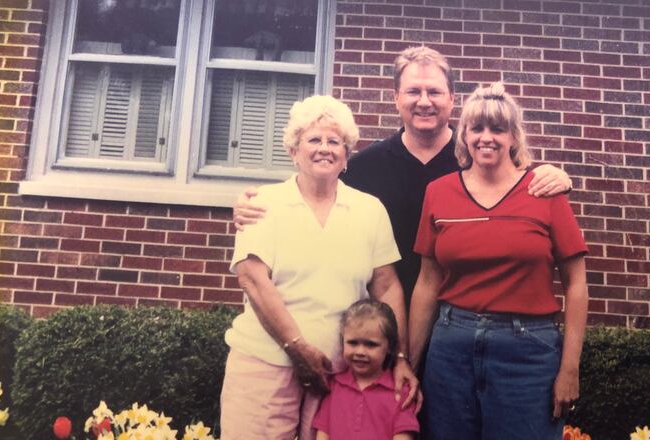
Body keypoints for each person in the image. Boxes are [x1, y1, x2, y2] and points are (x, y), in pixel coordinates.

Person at [235, 46, 572, 307]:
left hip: (457, 323)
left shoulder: (479, 160)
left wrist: (556, 175)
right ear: (396, 98)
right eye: (413, 92)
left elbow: (518, 180)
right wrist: (249, 203)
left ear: (452, 99)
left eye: (434, 92)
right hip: (380, 323)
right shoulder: (363, 167)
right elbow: (312, 193)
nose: (424, 102)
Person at [220, 95, 416, 440]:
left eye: (334, 141)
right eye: (313, 139)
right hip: (263, 364)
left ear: (346, 154)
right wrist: (297, 348)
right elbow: (252, 279)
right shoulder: (263, 204)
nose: (324, 148)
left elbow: (387, 286)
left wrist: (400, 356)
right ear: (294, 150)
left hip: (336, 375)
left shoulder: (369, 210)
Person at [408, 82, 589, 439]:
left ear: (513, 137)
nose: (486, 138)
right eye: (477, 128)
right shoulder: (439, 192)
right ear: (464, 136)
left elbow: (576, 284)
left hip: (526, 353)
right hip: (450, 349)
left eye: (497, 128)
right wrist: (410, 366)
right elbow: (427, 283)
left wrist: (570, 368)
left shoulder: (544, 191)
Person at [313, 299, 419, 440]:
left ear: (390, 347)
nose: (360, 351)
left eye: (371, 344)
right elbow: (323, 432)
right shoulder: (333, 385)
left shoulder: (401, 391)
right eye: (353, 343)